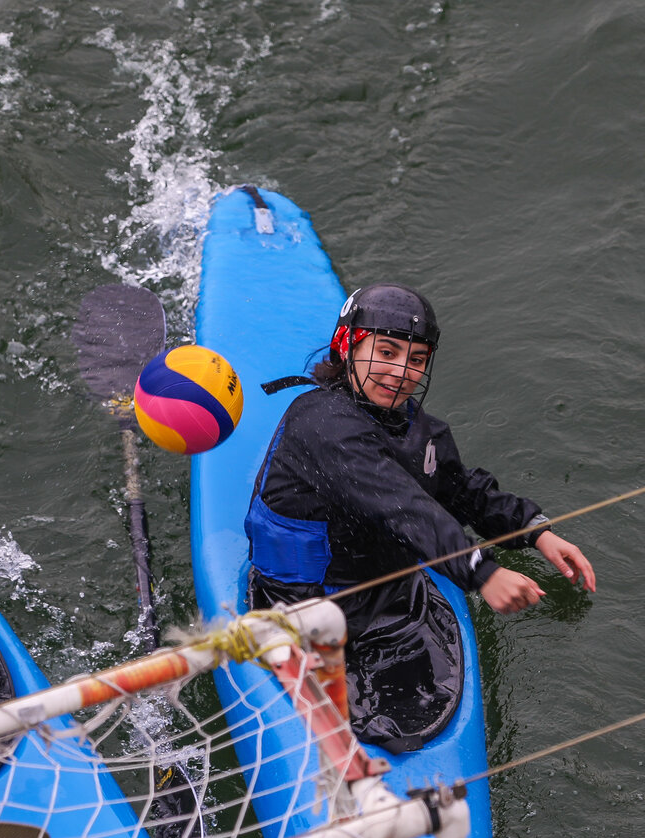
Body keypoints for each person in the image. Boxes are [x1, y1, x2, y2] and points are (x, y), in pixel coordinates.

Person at [245, 283, 595, 752]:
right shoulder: (322, 422)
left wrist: (535, 531)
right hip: (304, 603)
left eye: (416, 360)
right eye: (386, 352)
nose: (401, 373)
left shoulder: (413, 423)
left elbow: (460, 490)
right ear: (348, 346)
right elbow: (404, 506)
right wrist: (483, 574)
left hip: (390, 594)